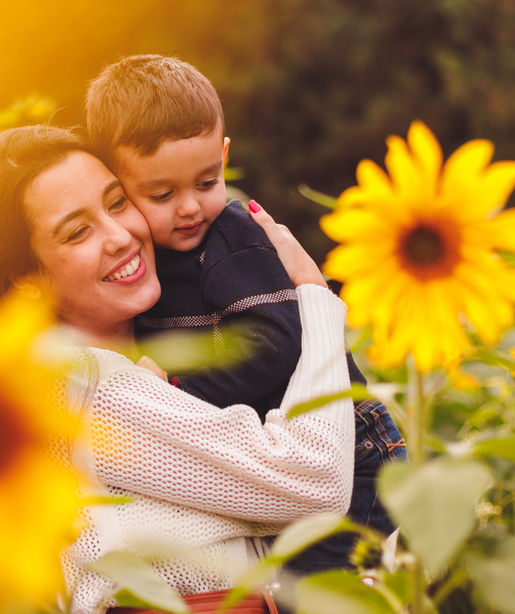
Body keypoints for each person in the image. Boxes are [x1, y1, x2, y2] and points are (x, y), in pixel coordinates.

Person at [0, 125, 354, 614]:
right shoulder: (78, 386)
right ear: (26, 279)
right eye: (78, 231)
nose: (121, 236)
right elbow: (315, 483)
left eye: (118, 202)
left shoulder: (151, 360)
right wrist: (315, 298)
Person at [85, 55, 404, 573]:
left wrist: (180, 388)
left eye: (207, 182)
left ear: (225, 155)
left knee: (313, 592)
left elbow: (273, 343)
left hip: (358, 453)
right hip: (285, 456)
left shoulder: (233, 242)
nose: (190, 207)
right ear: (118, 182)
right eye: (162, 194)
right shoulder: (147, 266)